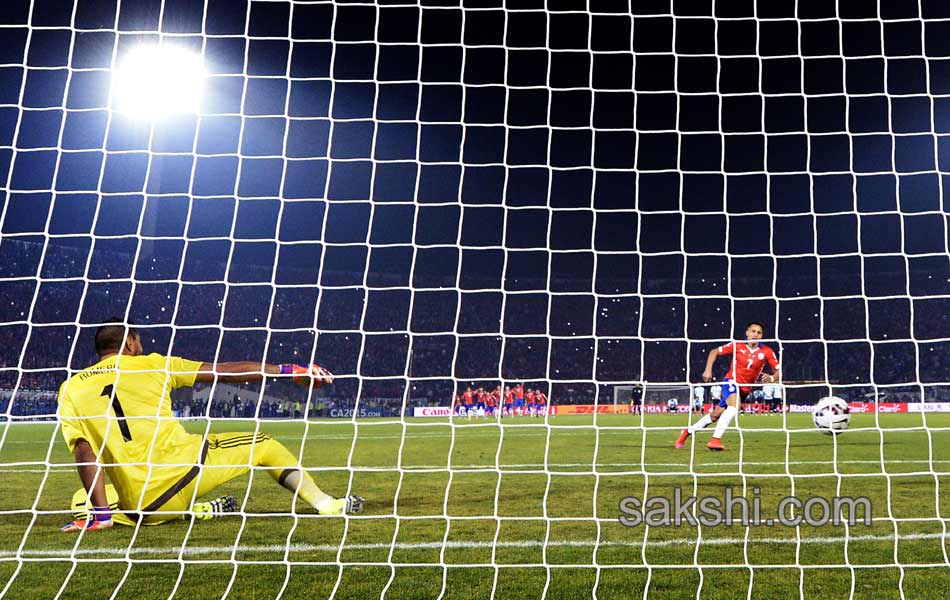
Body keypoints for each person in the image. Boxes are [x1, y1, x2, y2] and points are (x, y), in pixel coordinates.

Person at [58, 319, 363, 532]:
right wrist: (284, 370)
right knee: (264, 443)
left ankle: (186, 512)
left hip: (143, 506)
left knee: (78, 499)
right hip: (185, 471)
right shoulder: (152, 363)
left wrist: (101, 516)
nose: (141, 346)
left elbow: (84, 452)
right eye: (138, 342)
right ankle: (325, 503)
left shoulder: (71, 388)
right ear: (128, 342)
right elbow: (225, 373)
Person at [674, 321, 780, 451]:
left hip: (745, 390)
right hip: (731, 381)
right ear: (747, 333)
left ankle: (686, 432)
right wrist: (708, 370)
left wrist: (772, 378)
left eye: (759, 332)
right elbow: (714, 352)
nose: (756, 334)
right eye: (753, 331)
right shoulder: (737, 345)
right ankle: (715, 440)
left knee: (715, 415)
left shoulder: (767, 351)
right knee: (734, 407)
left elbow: (779, 372)